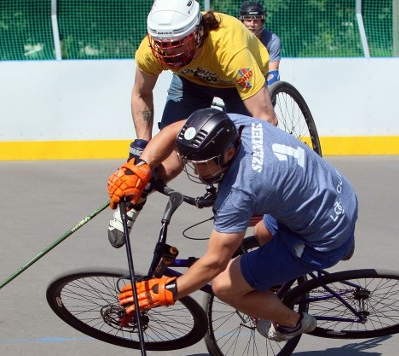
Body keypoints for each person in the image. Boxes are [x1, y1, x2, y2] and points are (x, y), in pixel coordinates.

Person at [106, 108, 358, 341]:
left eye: (206, 162)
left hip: (322, 236)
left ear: (228, 153)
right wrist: (139, 168)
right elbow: (175, 129)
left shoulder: (240, 190)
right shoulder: (234, 128)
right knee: (261, 231)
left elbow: (214, 262)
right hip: (337, 192)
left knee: (224, 287)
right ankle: (275, 282)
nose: (199, 169)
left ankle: (292, 323)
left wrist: (170, 290)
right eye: (194, 161)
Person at [108, 0, 278, 248]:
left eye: (178, 46)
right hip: (190, 82)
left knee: (239, 151)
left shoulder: (229, 47)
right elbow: (141, 93)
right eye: (163, 48)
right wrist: (141, 153)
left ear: (198, 33)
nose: (171, 55)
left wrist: (254, 175)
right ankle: (135, 200)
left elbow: (266, 120)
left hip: (236, 82)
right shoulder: (152, 48)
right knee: (170, 156)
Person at [238, 1, 281, 86]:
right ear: (242, 21)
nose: (252, 24)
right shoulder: (235, 38)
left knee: (274, 78)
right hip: (240, 78)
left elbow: (273, 72)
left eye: (256, 20)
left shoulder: (273, 40)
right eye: (248, 20)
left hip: (263, 80)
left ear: (262, 21)